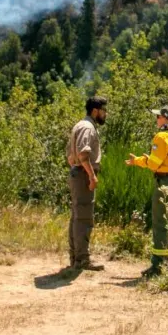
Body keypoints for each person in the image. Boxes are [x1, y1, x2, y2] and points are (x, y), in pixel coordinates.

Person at [125, 105, 168, 278]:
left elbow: (154, 164)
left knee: (160, 222)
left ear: (165, 120)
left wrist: (137, 161)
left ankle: (159, 266)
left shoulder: (161, 137)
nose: (156, 119)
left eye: (158, 117)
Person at [66, 95, 108, 271]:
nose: (106, 114)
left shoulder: (79, 125)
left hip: (77, 173)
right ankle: (82, 260)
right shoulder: (88, 127)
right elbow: (83, 155)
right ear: (95, 111)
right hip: (83, 175)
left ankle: (76, 257)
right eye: (104, 111)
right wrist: (91, 176)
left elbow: (70, 156)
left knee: (77, 216)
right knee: (83, 217)